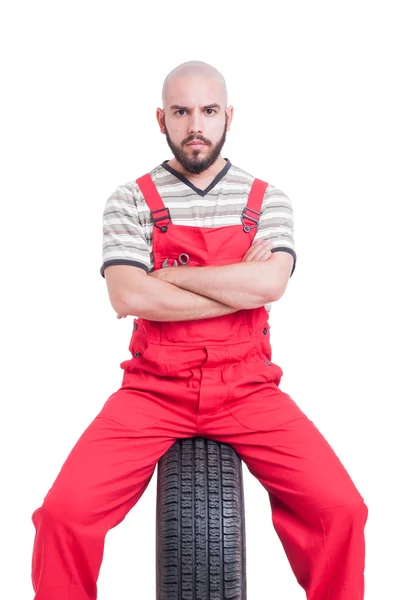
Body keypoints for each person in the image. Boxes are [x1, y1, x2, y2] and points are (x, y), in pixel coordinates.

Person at [31, 60, 368, 600]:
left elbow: (271, 285)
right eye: (182, 111)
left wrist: (171, 278)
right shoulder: (131, 199)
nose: (196, 125)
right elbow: (128, 294)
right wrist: (234, 282)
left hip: (249, 388)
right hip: (152, 390)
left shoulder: (268, 199)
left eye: (208, 111)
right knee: (61, 516)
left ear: (228, 116)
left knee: (342, 511)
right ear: (160, 118)